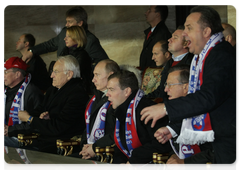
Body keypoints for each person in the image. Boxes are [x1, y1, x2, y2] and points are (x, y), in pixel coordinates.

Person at [141, 6, 240, 170]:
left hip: (234, 142)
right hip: (225, 141)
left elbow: (209, 98)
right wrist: (173, 130)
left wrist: (166, 108)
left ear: (206, 31)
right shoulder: (207, 56)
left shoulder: (221, 55)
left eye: (189, 28)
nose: (184, 33)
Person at [7, 55, 89, 154]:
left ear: (69, 74)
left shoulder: (77, 94)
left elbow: (59, 127)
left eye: (56, 72)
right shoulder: (53, 90)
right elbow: (40, 110)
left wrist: (30, 119)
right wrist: (19, 123)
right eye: (52, 72)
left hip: (58, 148)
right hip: (41, 141)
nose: (51, 76)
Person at [107, 70, 171, 169]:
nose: (107, 94)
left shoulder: (149, 110)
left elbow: (161, 144)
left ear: (127, 91)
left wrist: (132, 161)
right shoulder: (119, 110)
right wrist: (120, 163)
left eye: (111, 89)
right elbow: (120, 145)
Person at [161, 65, 214, 170]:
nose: (166, 89)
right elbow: (180, 145)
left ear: (186, 87)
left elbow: (217, 152)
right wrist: (175, 155)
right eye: (166, 85)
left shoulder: (207, 114)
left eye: (170, 85)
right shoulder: (177, 112)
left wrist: (186, 163)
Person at [22, 6, 108, 66]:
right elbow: (49, 45)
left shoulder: (90, 40)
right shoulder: (64, 32)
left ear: (80, 23)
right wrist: (31, 51)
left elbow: (104, 63)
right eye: (66, 21)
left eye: (70, 22)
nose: (66, 25)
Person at [79, 59, 120, 159]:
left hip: (108, 153)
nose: (93, 80)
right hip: (91, 150)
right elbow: (87, 127)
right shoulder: (93, 99)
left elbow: (115, 134)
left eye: (97, 75)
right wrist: (85, 146)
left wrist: (94, 148)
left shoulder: (118, 100)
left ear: (111, 75)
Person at [0, 57, 43, 147]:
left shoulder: (32, 92)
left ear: (17, 74)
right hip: (7, 135)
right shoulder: (3, 93)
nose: (2, 76)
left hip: (26, 139)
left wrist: (10, 130)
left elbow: (36, 123)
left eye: (5, 72)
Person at [146, 26, 193, 99]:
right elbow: (161, 90)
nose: (169, 40)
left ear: (185, 43)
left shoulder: (191, 64)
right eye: (171, 37)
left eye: (175, 37)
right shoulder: (169, 62)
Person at [60, 26, 92, 94]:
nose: (65, 39)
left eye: (68, 36)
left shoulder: (83, 55)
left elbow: (73, 74)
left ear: (76, 38)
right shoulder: (64, 52)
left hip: (78, 90)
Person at [140, 2, 171, 70]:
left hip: (155, 73)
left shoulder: (162, 33)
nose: (146, 13)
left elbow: (162, 59)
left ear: (157, 15)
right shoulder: (150, 31)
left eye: (149, 11)